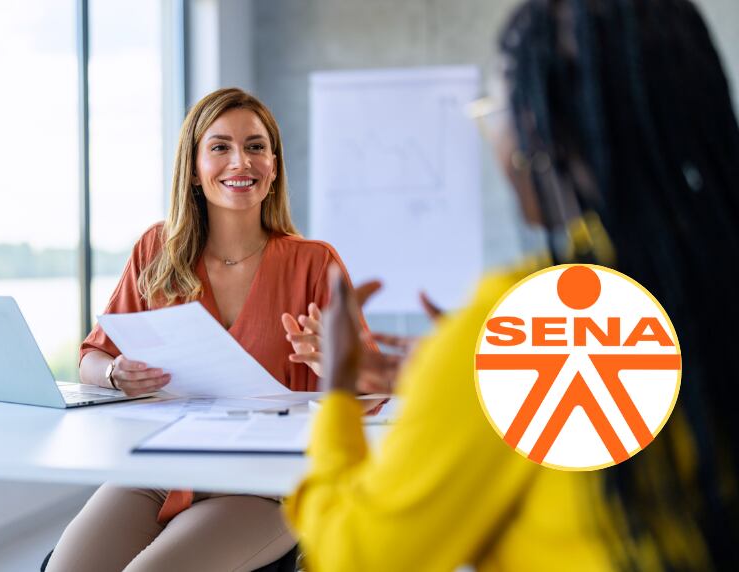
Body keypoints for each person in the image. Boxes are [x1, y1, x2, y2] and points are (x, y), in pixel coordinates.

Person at [285, 0, 739, 570]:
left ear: (538, 131)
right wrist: (443, 376)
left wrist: (336, 396)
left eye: (495, 107)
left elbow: (355, 555)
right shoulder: (702, 279)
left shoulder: (520, 331)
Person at [47, 88, 366, 572]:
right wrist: (115, 373)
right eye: (220, 147)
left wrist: (334, 364)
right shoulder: (157, 251)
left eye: (256, 146)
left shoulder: (314, 263)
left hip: (263, 484)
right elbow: (92, 356)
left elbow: (373, 390)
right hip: (159, 471)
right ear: (195, 169)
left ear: (274, 165)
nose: (241, 161)